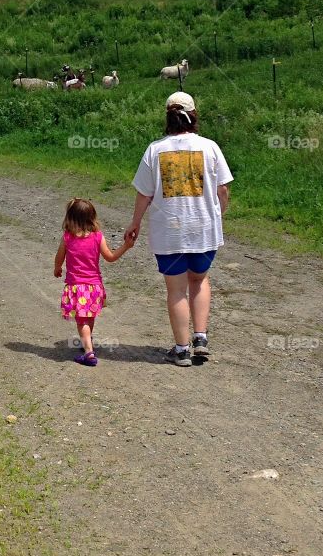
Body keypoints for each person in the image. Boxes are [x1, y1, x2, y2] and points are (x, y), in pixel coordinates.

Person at [125, 92, 232, 367]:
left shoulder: (155, 149)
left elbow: (144, 194)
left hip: (168, 233)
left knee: (176, 290)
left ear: (168, 116)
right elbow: (222, 189)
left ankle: (182, 350)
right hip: (204, 228)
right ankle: (200, 338)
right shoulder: (210, 147)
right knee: (199, 280)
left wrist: (135, 222)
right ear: (194, 115)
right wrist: (219, 213)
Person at [54, 197, 134, 366]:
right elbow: (110, 257)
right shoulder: (98, 237)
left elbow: (59, 256)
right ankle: (87, 342)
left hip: (77, 287)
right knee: (89, 317)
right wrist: (126, 246)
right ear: (92, 217)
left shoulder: (67, 238)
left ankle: (89, 352)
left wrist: (57, 268)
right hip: (94, 287)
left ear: (70, 218)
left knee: (81, 321)